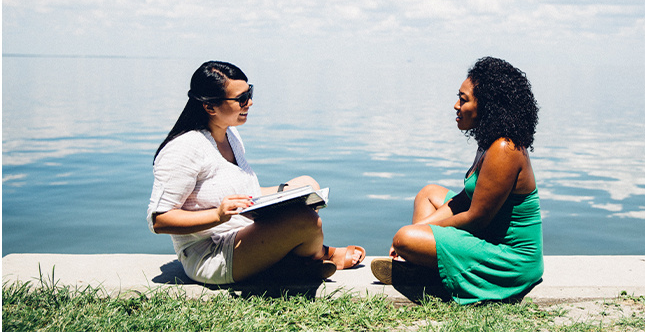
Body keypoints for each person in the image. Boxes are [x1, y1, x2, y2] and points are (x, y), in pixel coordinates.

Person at [147, 60, 365, 285]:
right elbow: (160, 220)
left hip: (245, 229)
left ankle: (294, 261)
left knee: (308, 184)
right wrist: (217, 215)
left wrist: (287, 195)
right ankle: (316, 255)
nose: (249, 102)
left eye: (249, 92)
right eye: (241, 99)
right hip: (212, 254)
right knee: (307, 221)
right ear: (209, 106)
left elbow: (237, 191)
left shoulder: (230, 134)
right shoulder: (184, 148)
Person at [371, 57, 543, 304]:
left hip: (510, 259)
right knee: (428, 193)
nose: (455, 105)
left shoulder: (504, 149)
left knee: (403, 239)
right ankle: (424, 262)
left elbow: (477, 217)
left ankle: (423, 262)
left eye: (463, 100)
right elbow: (464, 199)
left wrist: (416, 235)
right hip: (490, 236)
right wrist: (422, 231)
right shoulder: (489, 142)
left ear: (488, 106)